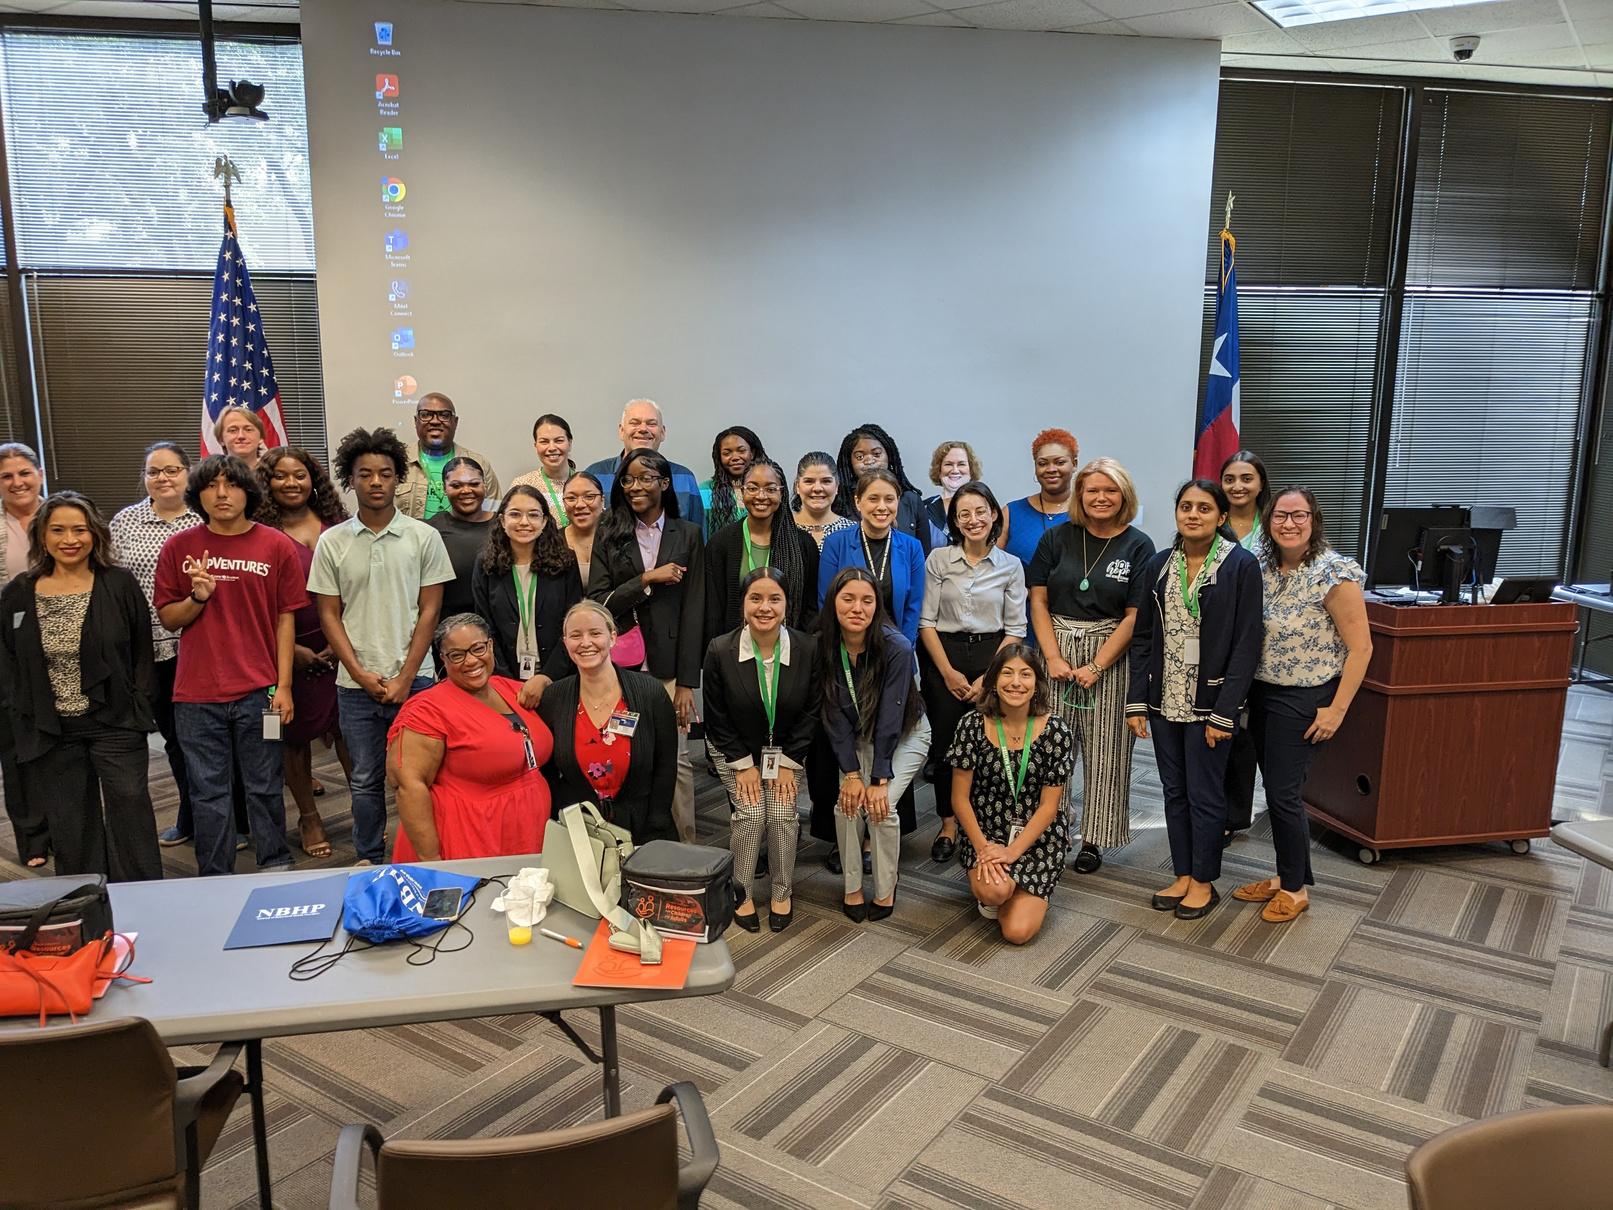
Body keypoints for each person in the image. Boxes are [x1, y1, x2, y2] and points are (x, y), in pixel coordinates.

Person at [309, 427, 455, 866]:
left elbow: (430, 611)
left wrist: (406, 677)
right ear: (349, 479)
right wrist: (359, 673)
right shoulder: (332, 541)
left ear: (397, 479)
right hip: (356, 686)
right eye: (365, 474)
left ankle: (428, 858)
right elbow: (328, 614)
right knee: (365, 780)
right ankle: (369, 858)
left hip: (418, 681)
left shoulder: (423, 537)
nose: (376, 482)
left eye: (385, 474)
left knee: (423, 778)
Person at [154, 454, 304, 876]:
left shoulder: (275, 545)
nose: (222, 494)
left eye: (232, 484)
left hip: (261, 693)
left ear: (248, 492)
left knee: (265, 784)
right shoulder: (179, 547)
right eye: (211, 485)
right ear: (198, 495)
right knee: (208, 792)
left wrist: (284, 686)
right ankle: (215, 874)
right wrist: (197, 597)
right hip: (196, 697)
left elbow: (286, 619)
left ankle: (274, 861)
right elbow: (169, 619)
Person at [0, 492, 161, 881]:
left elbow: (143, 651)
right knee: (71, 822)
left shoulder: (119, 583)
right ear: (42, 535)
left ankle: (142, 896)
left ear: (95, 534)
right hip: (52, 730)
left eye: (79, 529)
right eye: (58, 530)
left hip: (116, 721)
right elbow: (9, 661)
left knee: (131, 809)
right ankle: (87, 899)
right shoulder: (19, 592)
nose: (69, 539)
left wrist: (140, 704)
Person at [1233, 487, 1371, 923]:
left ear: (1314, 520)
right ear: (1268, 520)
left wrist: (1337, 711)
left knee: (1283, 793)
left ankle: (1295, 889)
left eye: (1299, 515)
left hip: (1305, 698)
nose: (1289, 524)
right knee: (1275, 789)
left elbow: (1362, 649)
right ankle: (1285, 875)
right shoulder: (1259, 564)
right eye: (1280, 515)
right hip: (1261, 692)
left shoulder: (1333, 573)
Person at [1126, 479, 1262, 920]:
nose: (1193, 514)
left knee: (1205, 794)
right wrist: (1136, 700)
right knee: (1174, 791)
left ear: (1221, 517)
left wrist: (1226, 712)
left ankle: (1204, 881)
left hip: (1211, 704)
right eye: (1186, 506)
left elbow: (1247, 643)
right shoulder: (1160, 564)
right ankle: (1183, 874)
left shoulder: (1240, 565)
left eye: (1204, 508)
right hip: (1165, 700)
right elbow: (1143, 637)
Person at [1028, 457, 1155, 874]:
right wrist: (1052, 657)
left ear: (1124, 495)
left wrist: (1097, 666)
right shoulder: (1057, 537)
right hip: (1057, 651)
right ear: (1080, 494)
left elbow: (1135, 616)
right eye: (1092, 490)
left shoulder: (1139, 545)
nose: (1101, 497)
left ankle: (1094, 838)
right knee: (1051, 749)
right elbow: (1038, 600)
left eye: (1110, 490)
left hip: (1110, 655)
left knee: (1107, 751)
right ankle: (1051, 828)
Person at [588, 447, 705, 843]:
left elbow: (695, 609)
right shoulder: (610, 531)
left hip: (670, 669)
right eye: (628, 479)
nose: (635, 486)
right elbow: (599, 601)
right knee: (622, 755)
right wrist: (646, 579)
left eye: (645, 478)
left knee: (677, 760)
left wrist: (687, 683)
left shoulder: (688, 534)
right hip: (621, 668)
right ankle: (625, 846)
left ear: (664, 483)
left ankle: (685, 849)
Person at [702, 568, 821, 933]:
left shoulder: (807, 648)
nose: (764, 607)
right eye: (755, 598)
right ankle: (741, 892)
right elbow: (716, 719)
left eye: (774, 599)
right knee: (753, 815)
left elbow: (811, 711)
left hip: (786, 752)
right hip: (733, 749)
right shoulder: (720, 650)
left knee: (782, 815)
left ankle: (783, 890)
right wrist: (743, 766)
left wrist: (788, 762)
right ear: (743, 604)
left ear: (787, 605)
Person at [387, 614, 554, 860]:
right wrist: (432, 861)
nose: (471, 660)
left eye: (478, 648)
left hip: (527, 831)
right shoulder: (427, 710)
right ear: (443, 659)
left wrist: (544, 678)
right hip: (467, 837)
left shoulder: (510, 688)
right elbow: (409, 786)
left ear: (491, 645)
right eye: (457, 655)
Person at [919, 481, 1026, 862]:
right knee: (946, 747)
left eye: (981, 511)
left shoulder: (1011, 566)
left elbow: (1015, 628)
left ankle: (983, 824)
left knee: (991, 745)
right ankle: (948, 824)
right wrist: (947, 672)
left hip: (992, 657)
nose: (973, 519)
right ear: (955, 520)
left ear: (994, 514)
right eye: (964, 513)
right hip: (944, 656)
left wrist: (989, 678)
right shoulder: (938, 560)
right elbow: (926, 622)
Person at [256, 446, 353, 860]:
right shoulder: (258, 532)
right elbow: (254, 602)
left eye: (300, 474)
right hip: (284, 649)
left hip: (342, 643)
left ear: (314, 480)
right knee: (290, 736)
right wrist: (290, 649)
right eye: (280, 475)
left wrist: (342, 641)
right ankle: (309, 816)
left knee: (349, 730)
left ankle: (365, 808)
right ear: (267, 483)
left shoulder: (338, 524)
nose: (291, 483)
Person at [111, 442, 208, 853]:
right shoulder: (125, 522)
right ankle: (190, 814)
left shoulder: (205, 517)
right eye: (154, 472)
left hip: (202, 647)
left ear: (188, 472)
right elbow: (111, 584)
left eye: (171, 470)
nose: (163, 478)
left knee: (210, 738)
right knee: (174, 738)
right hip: (150, 650)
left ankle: (231, 819)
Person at [818, 567, 929, 922]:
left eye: (867, 600)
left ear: (877, 606)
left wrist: (880, 778)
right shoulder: (823, 644)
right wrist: (852, 774)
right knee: (847, 804)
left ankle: (885, 887)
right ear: (833, 602)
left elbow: (891, 717)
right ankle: (852, 886)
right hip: (856, 736)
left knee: (883, 807)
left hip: (905, 735)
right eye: (848, 598)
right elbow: (832, 714)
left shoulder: (896, 646)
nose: (857, 608)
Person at [948, 643, 1076, 944]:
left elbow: (1049, 807)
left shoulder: (1056, 732)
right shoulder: (971, 725)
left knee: (1017, 933)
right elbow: (959, 799)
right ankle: (1003, 890)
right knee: (995, 892)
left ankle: (1021, 887)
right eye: (1007, 673)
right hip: (986, 833)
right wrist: (984, 848)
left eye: (1025, 674)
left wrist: (1012, 852)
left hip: (1037, 837)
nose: (1016, 682)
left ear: (1037, 684)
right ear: (993, 681)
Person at [538, 601, 679, 844]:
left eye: (595, 633)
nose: (585, 643)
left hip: (644, 827)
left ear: (612, 637)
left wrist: (658, 820)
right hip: (581, 831)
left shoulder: (650, 692)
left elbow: (666, 763)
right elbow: (549, 770)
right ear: (565, 642)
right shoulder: (554, 699)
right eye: (576, 635)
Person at [472, 484, 582, 702]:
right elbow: (485, 628)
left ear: (544, 521)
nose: (524, 522)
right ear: (502, 520)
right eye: (515, 514)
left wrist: (547, 677)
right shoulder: (486, 564)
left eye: (533, 515)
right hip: (504, 678)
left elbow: (573, 626)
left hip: (559, 677)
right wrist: (505, 680)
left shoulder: (565, 562)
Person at [704, 457, 819, 642]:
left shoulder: (803, 545)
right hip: (735, 648)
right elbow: (713, 610)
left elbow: (809, 610)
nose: (761, 496)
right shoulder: (720, 543)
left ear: (782, 494)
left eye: (771, 489)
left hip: (788, 647)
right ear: (742, 492)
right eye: (752, 488)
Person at [1218, 449, 1272, 843]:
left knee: (1247, 731)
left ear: (1260, 484)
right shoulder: (1211, 521)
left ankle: (1235, 814)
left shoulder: (1273, 527)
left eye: (1246, 478)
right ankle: (1212, 806)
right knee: (1218, 724)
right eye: (1230, 479)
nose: (1238, 486)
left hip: (1263, 640)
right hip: (1217, 639)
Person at [0, 442, 49, 864]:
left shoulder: (64, 515)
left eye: (24, 473)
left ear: (39, 474)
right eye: (6, 476)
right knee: (16, 742)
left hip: (64, 643)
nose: (17, 482)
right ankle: (33, 836)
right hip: (8, 650)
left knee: (65, 742)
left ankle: (70, 827)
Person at [818, 469, 925, 645]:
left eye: (889, 499)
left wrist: (903, 649)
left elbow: (913, 608)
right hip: (845, 646)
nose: (882, 507)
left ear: (898, 502)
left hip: (896, 647)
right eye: (873, 499)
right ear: (858, 501)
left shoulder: (912, 548)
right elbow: (826, 603)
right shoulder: (836, 543)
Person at [582, 398, 704, 531]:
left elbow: (697, 536)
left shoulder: (685, 478)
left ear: (663, 432)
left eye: (651, 424)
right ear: (621, 431)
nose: (643, 429)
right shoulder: (594, 475)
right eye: (635, 423)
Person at [395, 392, 502, 521]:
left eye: (444, 415)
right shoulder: (396, 461)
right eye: (426, 414)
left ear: (455, 422)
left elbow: (493, 517)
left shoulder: (479, 464)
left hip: (464, 535)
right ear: (416, 421)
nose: (435, 421)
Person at [833, 424, 934, 551]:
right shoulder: (840, 502)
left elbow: (924, 553)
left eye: (876, 454)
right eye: (860, 457)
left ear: (889, 455)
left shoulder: (911, 500)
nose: (869, 461)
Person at [428, 456, 497, 618]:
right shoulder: (431, 529)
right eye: (456, 485)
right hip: (447, 626)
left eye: (474, 484)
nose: (466, 491)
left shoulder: (503, 526)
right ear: (444, 488)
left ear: (485, 486)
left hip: (495, 626)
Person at [1000, 428, 1078, 567]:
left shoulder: (1087, 511)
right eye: (1042, 463)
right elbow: (991, 566)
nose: (1051, 469)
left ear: (1074, 464)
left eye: (1060, 462)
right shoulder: (1011, 513)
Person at [511, 413, 576, 525]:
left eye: (559, 440)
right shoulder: (522, 485)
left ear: (569, 443)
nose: (552, 448)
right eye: (544, 442)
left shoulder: (585, 484)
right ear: (535, 445)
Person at [700, 425, 764, 539]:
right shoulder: (705, 490)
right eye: (727, 453)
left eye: (741, 451)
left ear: (752, 453)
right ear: (719, 457)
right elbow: (700, 535)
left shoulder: (766, 490)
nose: (735, 457)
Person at [792, 451, 855, 550]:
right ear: (797, 486)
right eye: (809, 481)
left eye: (826, 481)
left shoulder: (853, 532)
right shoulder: (781, 529)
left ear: (837, 486)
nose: (817, 488)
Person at [922, 441, 980, 536]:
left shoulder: (984, 507)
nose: (955, 470)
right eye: (948, 464)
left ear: (971, 470)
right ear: (939, 470)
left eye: (961, 464)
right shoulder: (924, 508)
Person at [561, 471, 605, 590]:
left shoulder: (617, 538)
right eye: (571, 498)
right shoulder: (553, 542)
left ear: (602, 501)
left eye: (589, 497)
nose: (580, 505)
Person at [213, 405, 267, 472]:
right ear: (221, 439)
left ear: (261, 437)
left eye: (248, 430)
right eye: (233, 430)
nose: (241, 436)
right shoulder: (210, 476)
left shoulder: (273, 475)